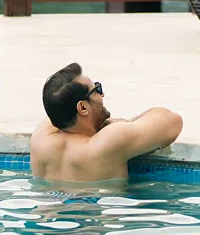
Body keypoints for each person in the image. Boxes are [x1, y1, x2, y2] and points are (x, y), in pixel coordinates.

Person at [28, 62, 183, 185]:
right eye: (97, 89)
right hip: (96, 218)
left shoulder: (41, 138)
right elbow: (171, 120)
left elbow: (57, 107)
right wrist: (124, 123)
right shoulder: (105, 143)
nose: (102, 94)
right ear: (83, 107)